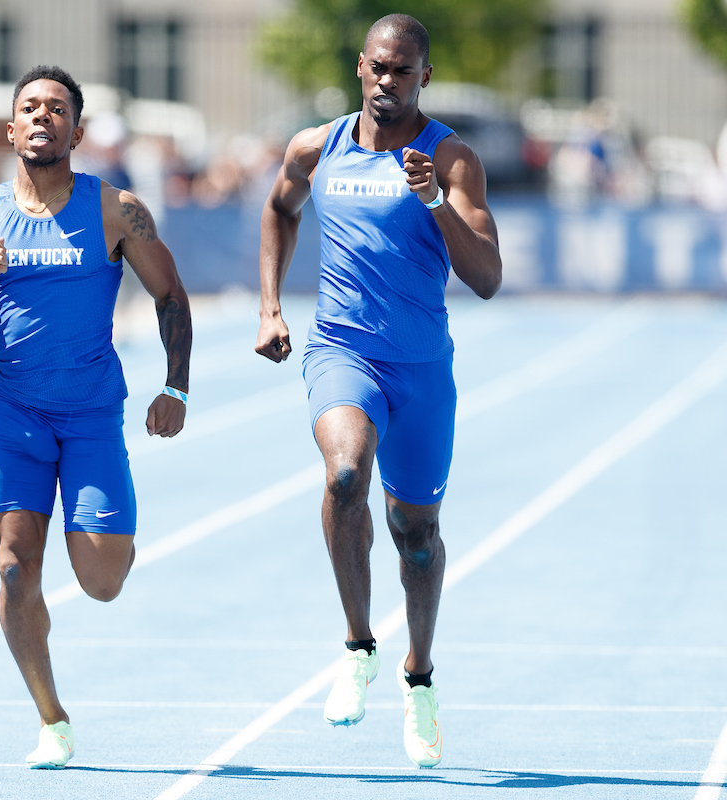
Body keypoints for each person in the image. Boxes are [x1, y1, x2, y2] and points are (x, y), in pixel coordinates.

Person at [0, 65, 191, 769]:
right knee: (16, 570)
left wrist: (178, 388)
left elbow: (170, 296)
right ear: (11, 130)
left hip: (92, 414)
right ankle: (51, 718)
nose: (43, 117)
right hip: (14, 416)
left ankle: (113, 536)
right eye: (30, 108)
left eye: (57, 109)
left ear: (76, 130)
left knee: (102, 582)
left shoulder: (115, 210)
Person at [254, 14, 501, 768]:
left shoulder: (451, 158)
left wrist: (432, 201)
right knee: (344, 472)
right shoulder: (316, 146)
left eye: (405, 72)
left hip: (422, 368)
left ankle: (418, 676)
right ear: (360, 67)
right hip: (343, 351)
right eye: (379, 68)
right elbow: (278, 209)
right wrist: (270, 303)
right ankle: (358, 644)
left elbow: (487, 278)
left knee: (417, 541)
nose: (389, 82)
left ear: (422, 77)